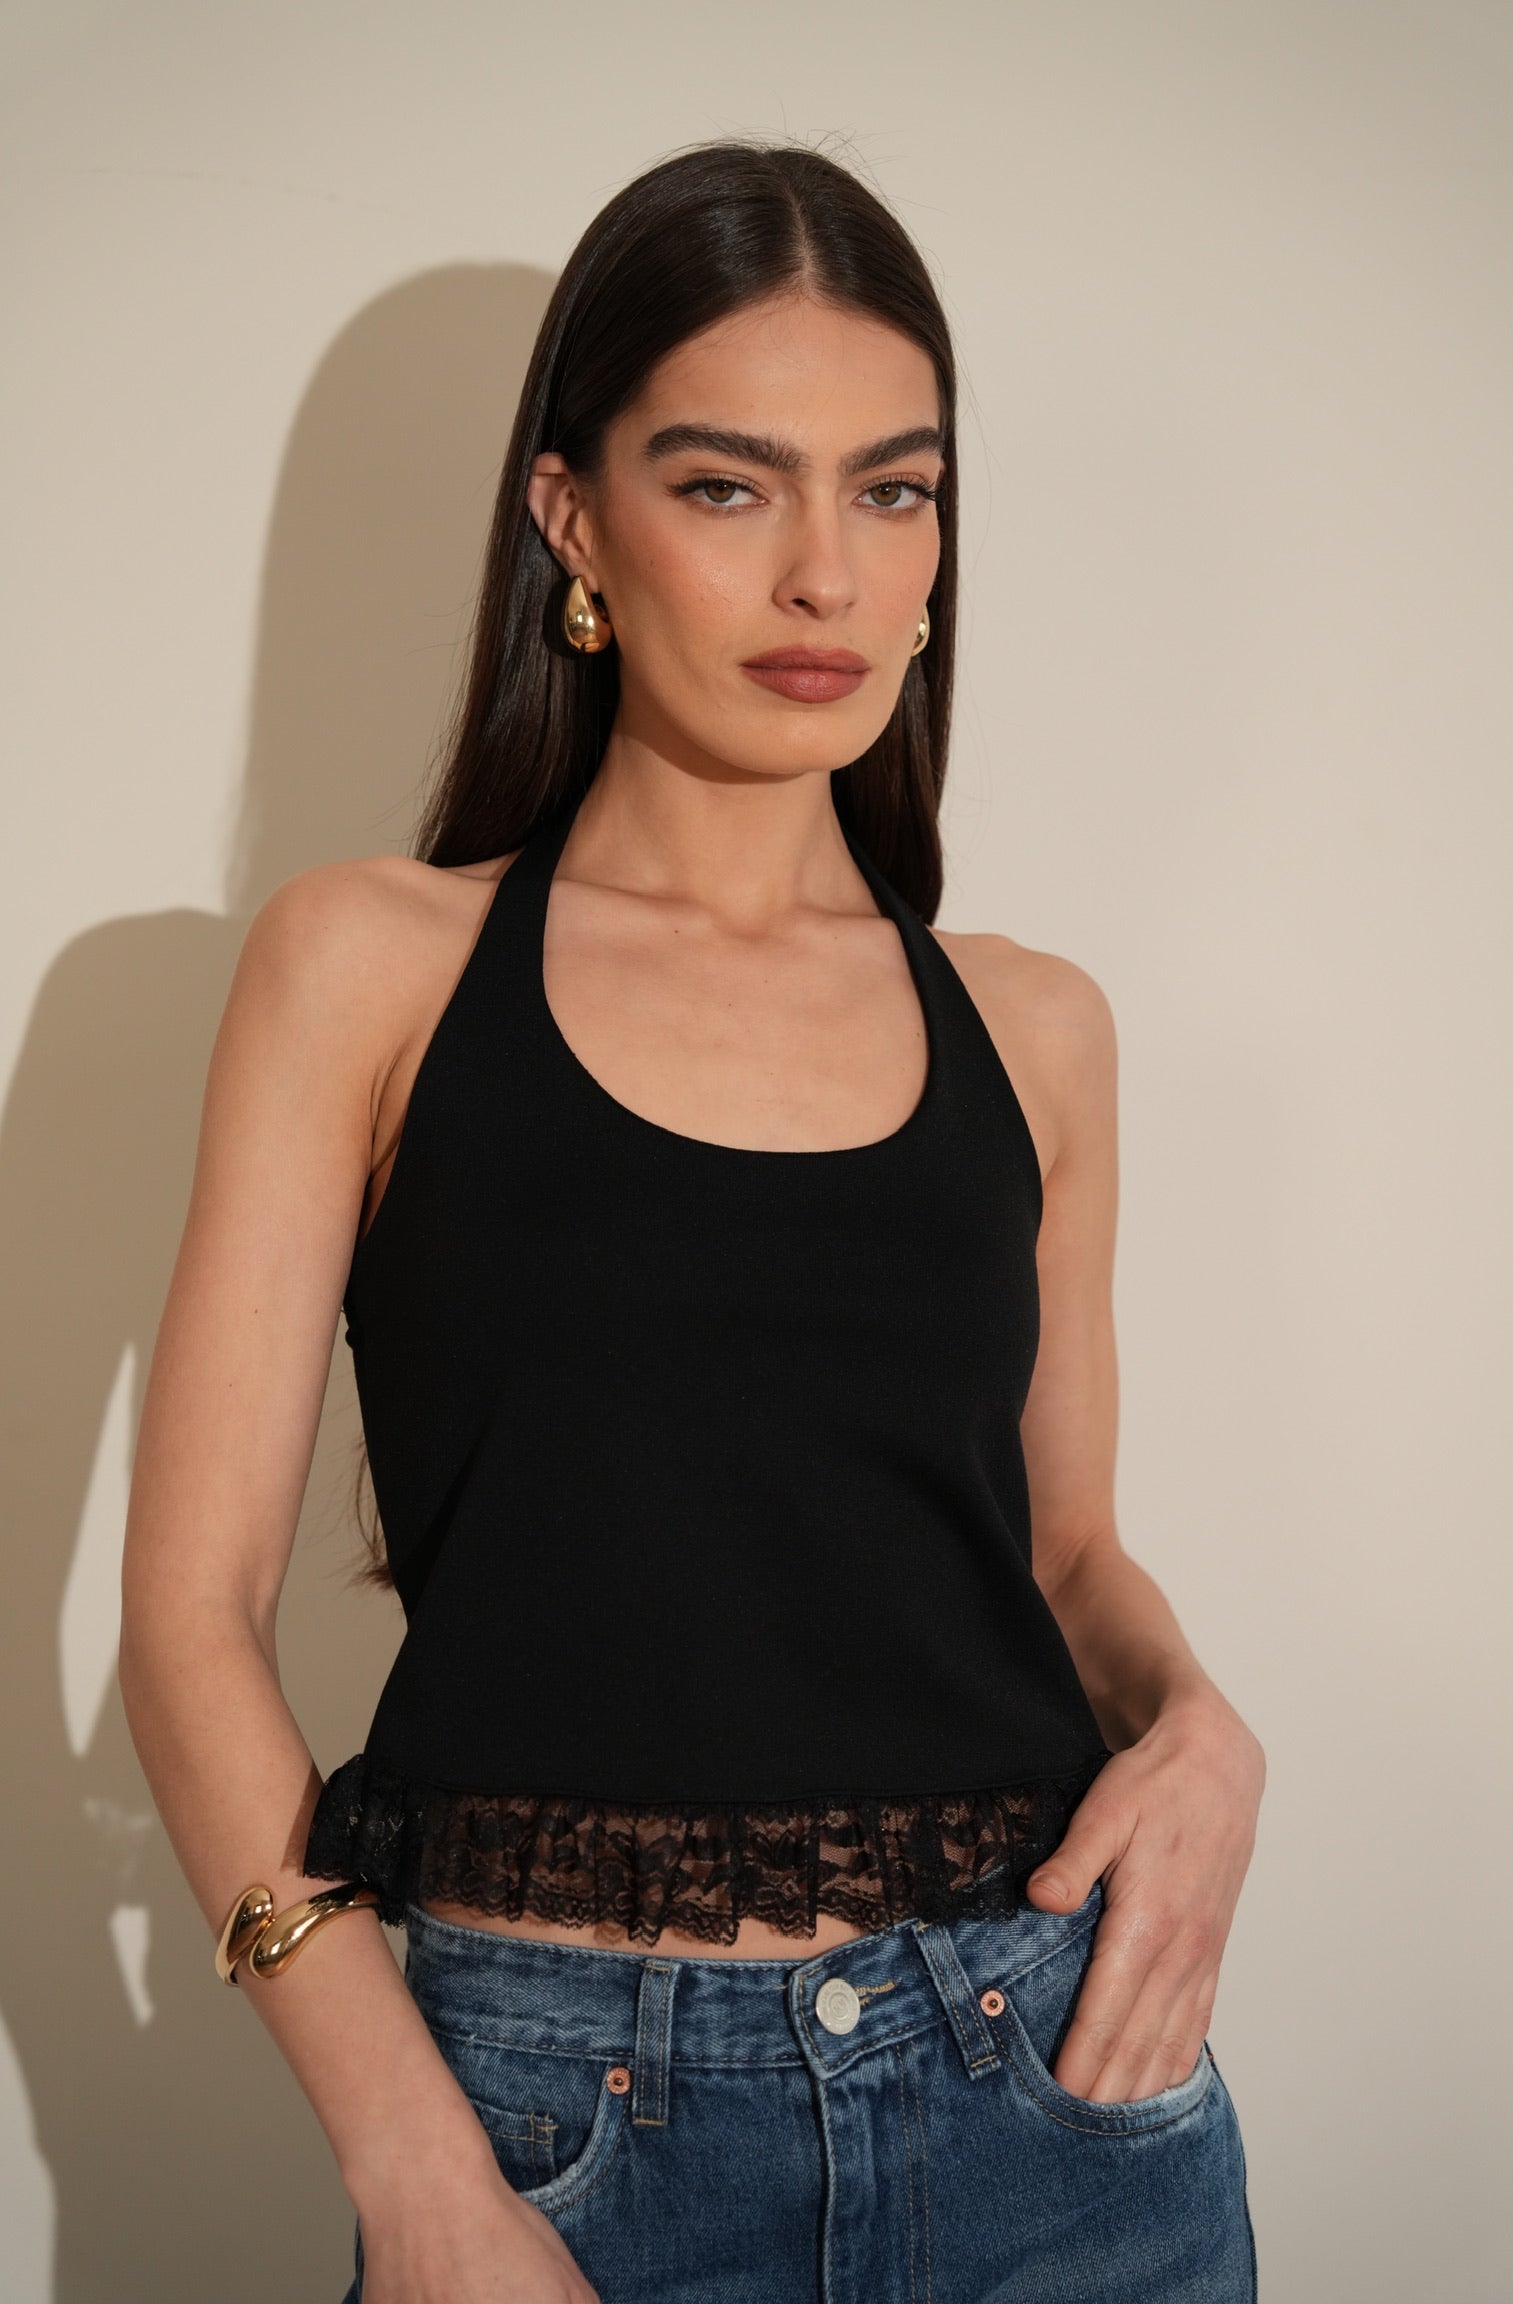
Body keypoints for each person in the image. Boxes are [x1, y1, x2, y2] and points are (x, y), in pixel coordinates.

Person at [120, 138, 1265, 2303]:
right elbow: (189, 1621)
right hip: (553, 2130)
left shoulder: (1036, 1029)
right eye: (732, 486)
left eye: (895, 491)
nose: (828, 574)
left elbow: (1063, 1556)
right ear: (572, 521)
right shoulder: (369, 971)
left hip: (1052, 2098)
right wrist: (416, 2168)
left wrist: (1201, 1726)